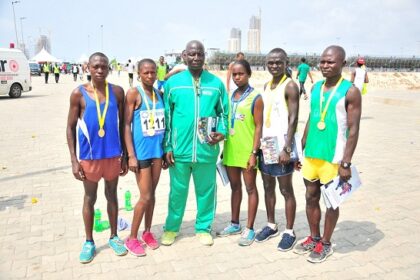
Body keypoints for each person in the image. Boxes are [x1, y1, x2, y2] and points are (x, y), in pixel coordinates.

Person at [294, 45, 361, 263]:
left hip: (334, 158)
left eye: (331, 62)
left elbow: (353, 129)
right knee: (310, 196)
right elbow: (313, 119)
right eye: (322, 61)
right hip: (312, 154)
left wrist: (346, 162)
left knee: (331, 202)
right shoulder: (315, 88)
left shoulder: (350, 91)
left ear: (342, 63)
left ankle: (326, 242)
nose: (325, 65)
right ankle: (314, 238)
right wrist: (299, 148)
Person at [161, 40, 228, 246]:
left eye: (199, 54)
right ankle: (171, 228)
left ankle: (203, 227)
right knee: (177, 193)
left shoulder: (215, 84)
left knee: (206, 192)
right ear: (184, 56)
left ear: (204, 56)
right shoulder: (173, 83)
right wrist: (167, 146)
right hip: (179, 151)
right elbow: (167, 117)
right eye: (192, 54)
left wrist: (222, 132)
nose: (196, 58)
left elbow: (225, 113)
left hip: (206, 150)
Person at [66, 52, 128, 263]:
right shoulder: (78, 94)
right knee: (89, 198)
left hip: (112, 155)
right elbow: (70, 127)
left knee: (112, 195)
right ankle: (89, 242)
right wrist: (74, 160)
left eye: (103, 67)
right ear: (88, 69)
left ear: (109, 69)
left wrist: (126, 154)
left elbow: (123, 125)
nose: (100, 70)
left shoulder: (118, 92)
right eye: (95, 67)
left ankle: (113, 236)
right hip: (89, 157)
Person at [254, 48, 300, 252]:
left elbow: (293, 118)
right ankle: (271, 224)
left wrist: (287, 148)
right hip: (267, 143)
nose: (274, 66)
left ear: (286, 62)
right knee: (267, 186)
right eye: (270, 62)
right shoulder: (266, 85)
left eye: (278, 62)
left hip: (282, 145)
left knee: (285, 189)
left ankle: (289, 231)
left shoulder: (290, 85)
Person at [216, 59, 263, 246]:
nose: (237, 77)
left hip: (247, 151)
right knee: (235, 188)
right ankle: (235, 223)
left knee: (250, 188)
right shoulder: (230, 96)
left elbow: (259, 127)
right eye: (234, 74)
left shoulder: (256, 97)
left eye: (241, 73)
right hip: (231, 150)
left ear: (249, 74)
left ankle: (250, 228)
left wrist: (254, 152)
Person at [123, 58, 167, 256]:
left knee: (153, 194)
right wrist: (130, 155)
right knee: (145, 195)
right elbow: (125, 125)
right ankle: (131, 238)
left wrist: (165, 151)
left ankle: (147, 232)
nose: (150, 76)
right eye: (146, 73)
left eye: (153, 72)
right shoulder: (134, 93)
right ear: (139, 74)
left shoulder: (159, 94)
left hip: (156, 151)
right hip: (140, 153)